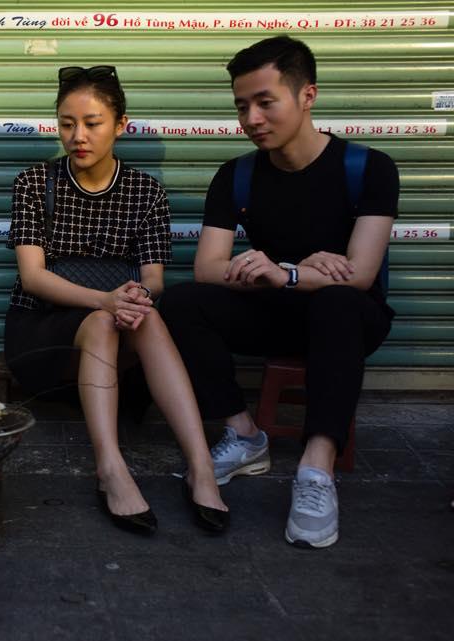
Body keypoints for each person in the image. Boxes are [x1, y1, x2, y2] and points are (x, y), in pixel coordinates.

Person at [162, 36, 398, 548]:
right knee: (180, 301)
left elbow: (359, 274)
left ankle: (317, 467)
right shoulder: (237, 176)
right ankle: (245, 434)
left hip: (348, 320)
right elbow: (208, 268)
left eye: (265, 102)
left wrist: (287, 272)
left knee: (337, 301)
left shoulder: (368, 168)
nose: (251, 118)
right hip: (276, 312)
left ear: (307, 95)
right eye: (241, 106)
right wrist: (286, 272)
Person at [4, 65, 229, 535]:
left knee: (145, 315)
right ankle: (110, 468)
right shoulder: (34, 183)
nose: (77, 136)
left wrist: (134, 297)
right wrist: (105, 301)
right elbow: (33, 278)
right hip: (40, 332)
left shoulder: (146, 192)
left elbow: (154, 279)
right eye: (67, 124)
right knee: (105, 320)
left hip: (114, 337)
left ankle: (201, 467)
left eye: (92, 123)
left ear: (121, 124)